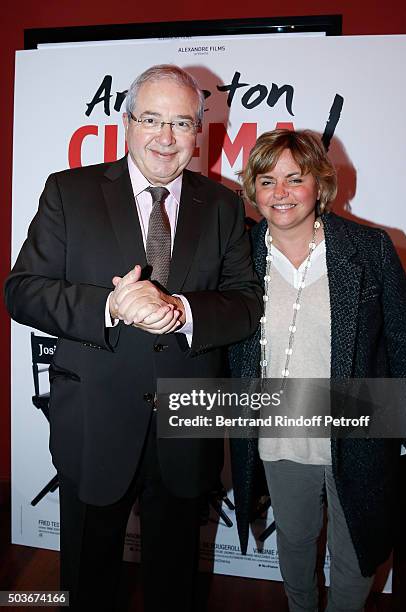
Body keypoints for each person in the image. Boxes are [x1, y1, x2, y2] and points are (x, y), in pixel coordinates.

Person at [4, 64, 262, 611]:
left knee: (175, 578)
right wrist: (109, 306)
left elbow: (247, 302)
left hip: (186, 420)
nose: (166, 138)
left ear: (199, 131)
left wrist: (182, 310)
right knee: (88, 574)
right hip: (95, 421)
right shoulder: (68, 192)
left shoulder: (220, 206)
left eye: (182, 123)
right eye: (151, 119)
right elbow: (23, 291)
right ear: (126, 122)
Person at [229, 129, 406, 611]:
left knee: (355, 555)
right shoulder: (241, 254)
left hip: (358, 429)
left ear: (320, 184)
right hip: (280, 432)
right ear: (253, 190)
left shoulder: (369, 249)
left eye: (294, 178)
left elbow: (402, 341)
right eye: (266, 181)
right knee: (295, 540)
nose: (280, 193)